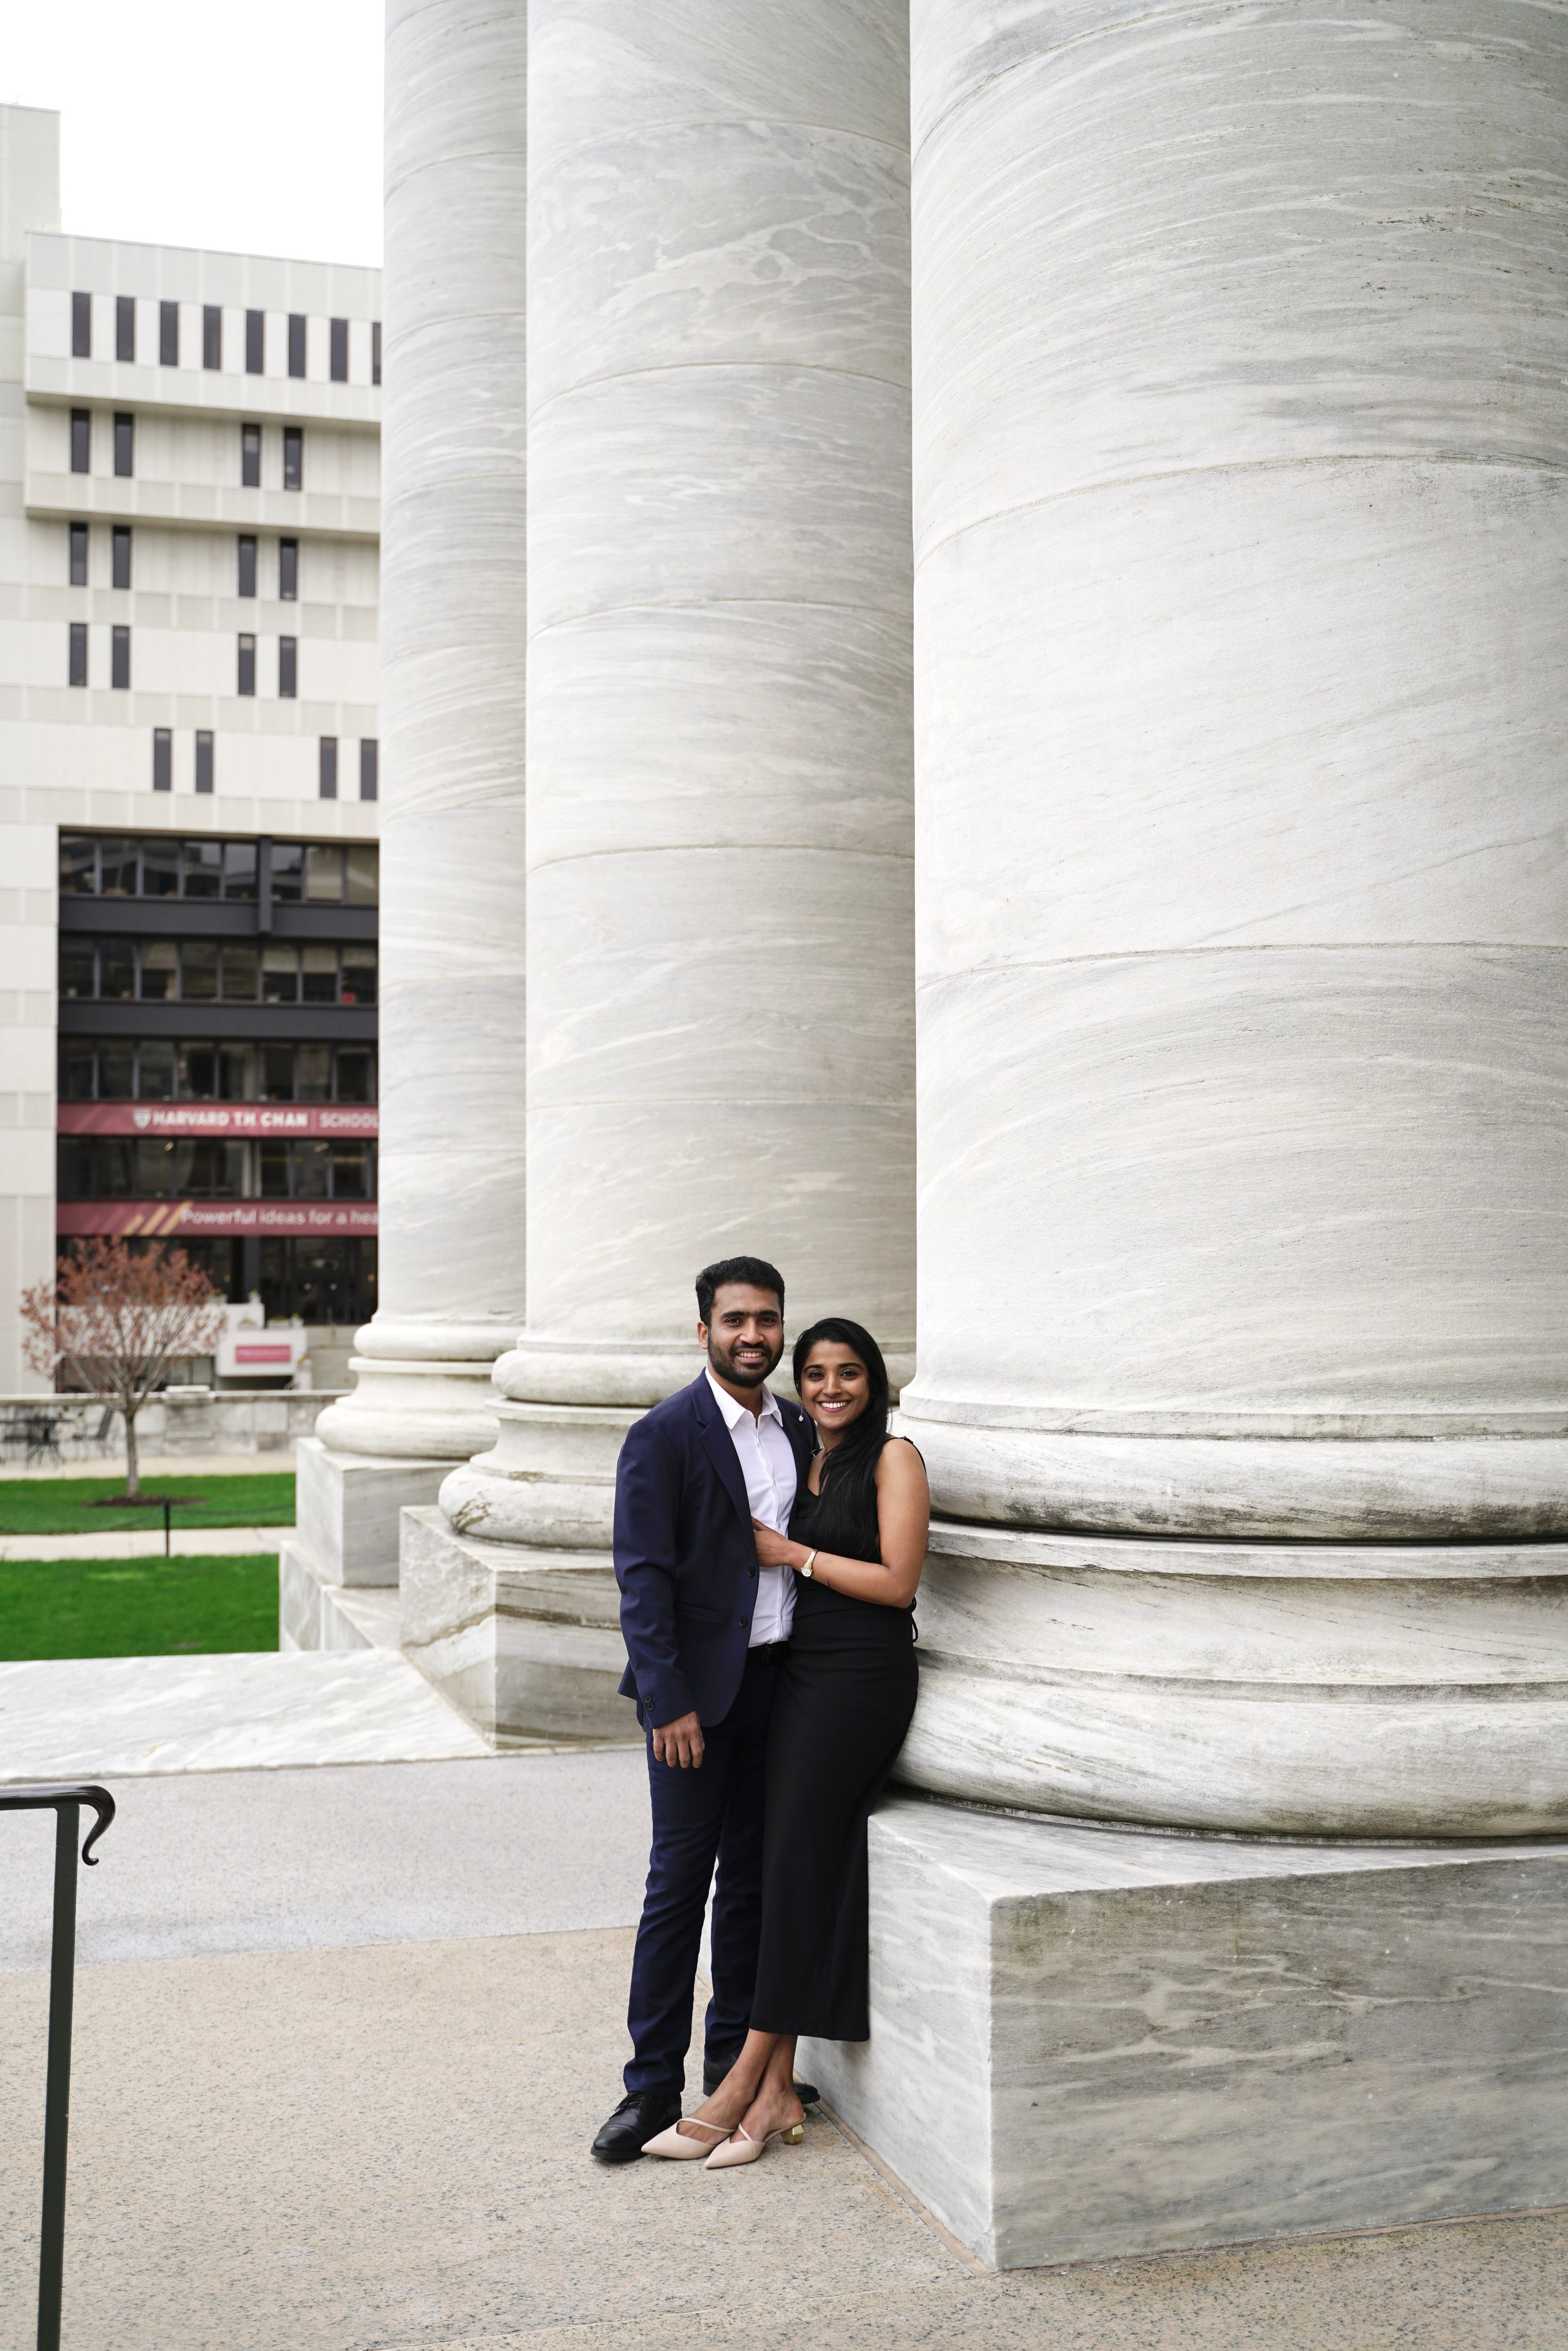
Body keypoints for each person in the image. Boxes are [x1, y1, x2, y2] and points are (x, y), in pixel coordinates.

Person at [643, 1315, 927, 2168]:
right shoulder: (809, 1449)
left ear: (874, 1381)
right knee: (788, 1866)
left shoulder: (893, 1456)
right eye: (816, 1373)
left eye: (848, 1372)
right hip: (802, 1675)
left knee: (794, 1863)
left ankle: (741, 2083)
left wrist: (793, 1554)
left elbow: (900, 1581)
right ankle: (773, 2088)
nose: (830, 1387)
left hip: (861, 1680)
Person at [590, 1256, 821, 2162]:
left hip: (780, 1688)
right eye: (735, 1320)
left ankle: (733, 2069)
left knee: (753, 1885)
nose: (753, 1334)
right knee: (677, 1885)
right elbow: (641, 1577)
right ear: (704, 1330)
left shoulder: (800, 1426)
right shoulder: (664, 1434)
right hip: (692, 1702)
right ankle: (648, 2088)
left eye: (767, 1319)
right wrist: (666, 1698)